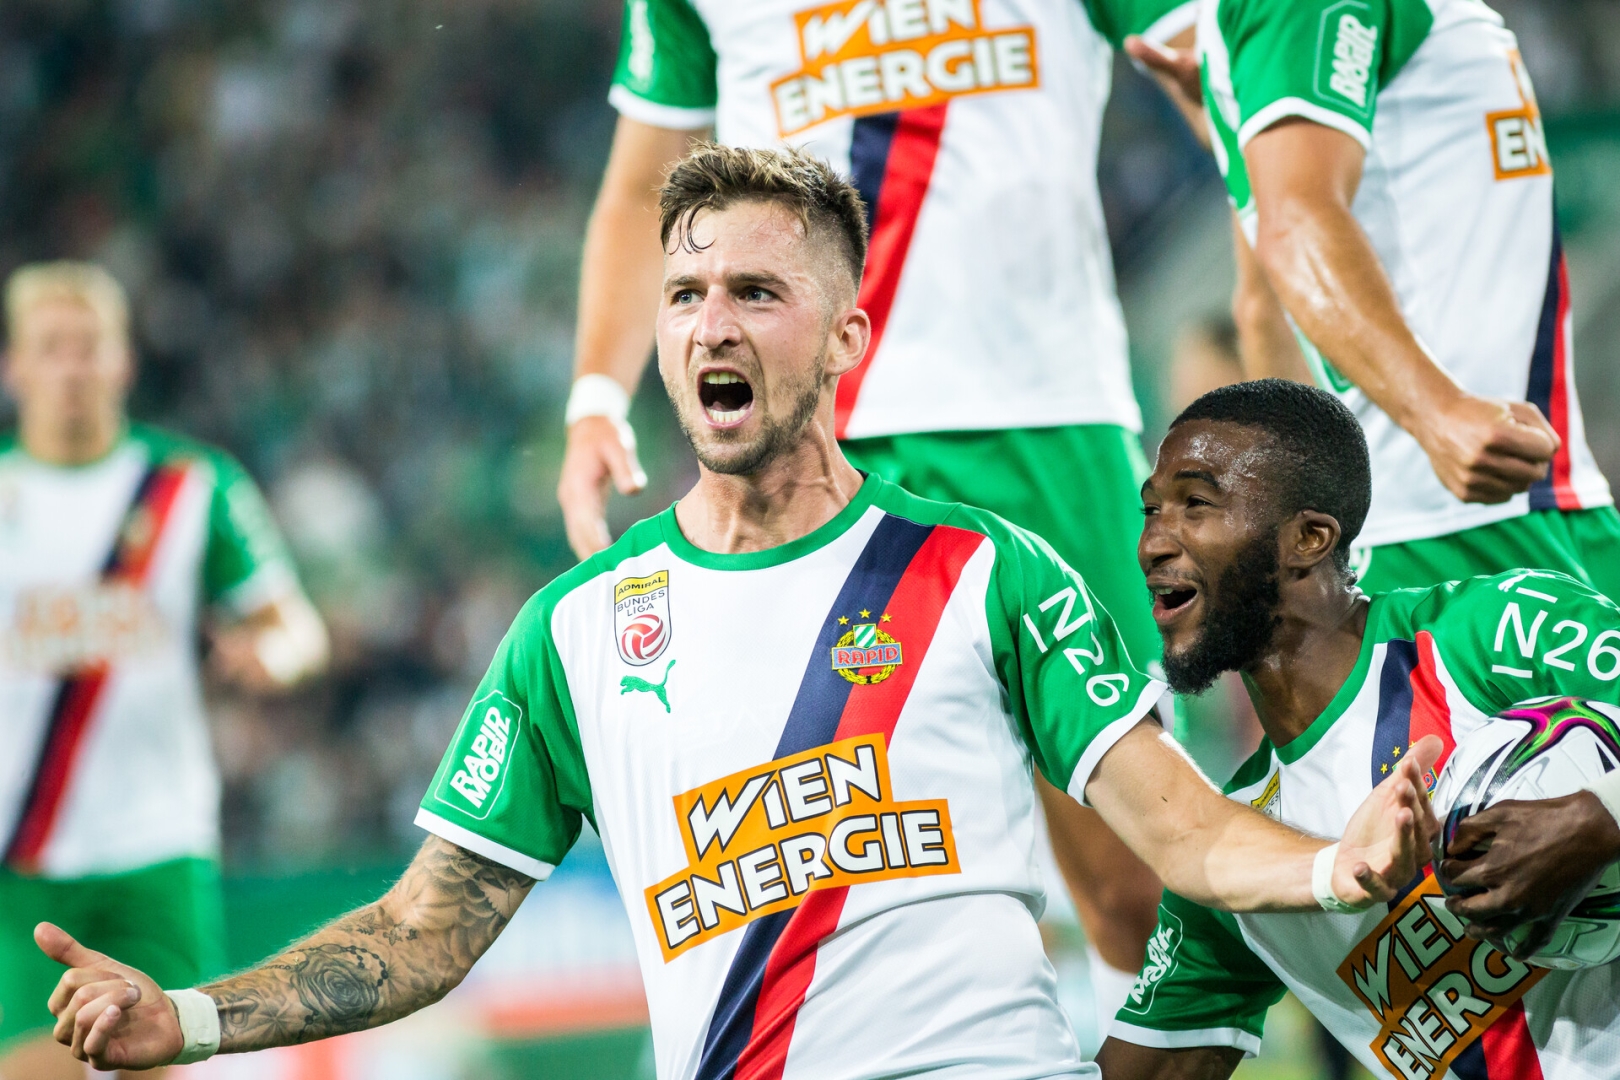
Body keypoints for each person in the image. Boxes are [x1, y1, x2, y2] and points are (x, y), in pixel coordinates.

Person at [36, 147, 1438, 1079]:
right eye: (687, 293)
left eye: (758, 292)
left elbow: (1181, 831)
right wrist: (192, 1016)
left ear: (846, 340)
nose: (712, 322)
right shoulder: (575, 630)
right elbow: (424, 929)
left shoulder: (986, 569)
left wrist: (1338, 863)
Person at [558, 0, 1205, 1014]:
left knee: (1137, 881)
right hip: (813, 438)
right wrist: (596, 394)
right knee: (838, 866)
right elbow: (646, 183)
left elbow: (1215, 75)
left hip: (1045, 421)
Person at [1094, 379, 1620, 1080]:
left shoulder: (1491, 633)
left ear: (1309, 539)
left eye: (1196, 503)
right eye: (1151, 509)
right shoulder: (1234, 856)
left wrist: (1600, 817)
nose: (1152, 543)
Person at [1129, 0, 1620, 607]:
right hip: (1464, 528)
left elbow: (1264, 309)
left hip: (1493, 513)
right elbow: (1295, 228)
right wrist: (1437, 412)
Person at [0, 262, 330, 1080]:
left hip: (155, 843)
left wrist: (270, 657)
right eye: (51, 347)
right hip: (18, 853)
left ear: (123, 361)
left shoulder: (191, 485)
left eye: (88, 347)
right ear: (15, 365)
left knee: (161, 1061)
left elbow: (295, 626)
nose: (71, 367)